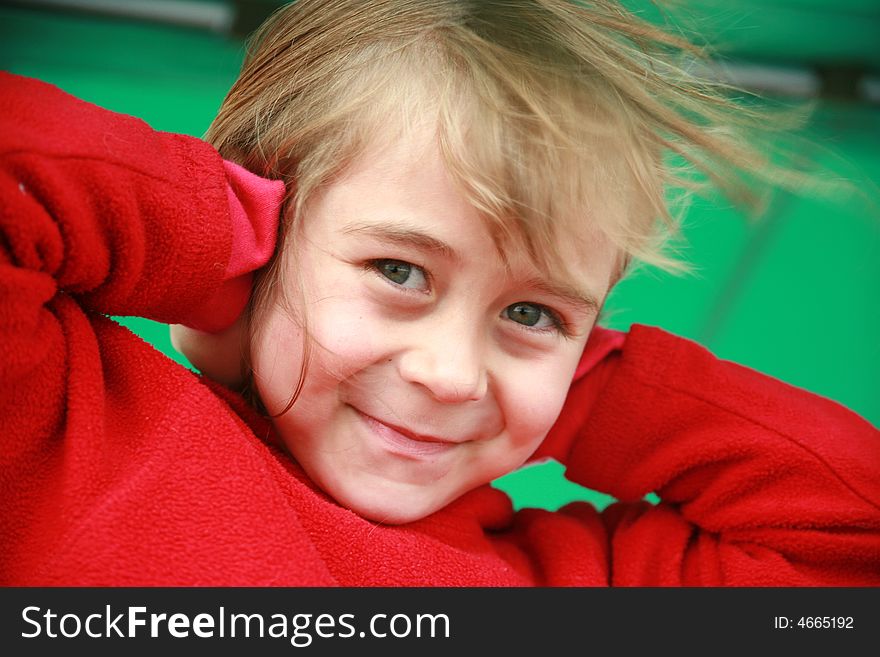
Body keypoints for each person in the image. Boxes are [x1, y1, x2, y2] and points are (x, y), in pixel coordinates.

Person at [1, 0, 878, 586]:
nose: (455, 374)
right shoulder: (65, 426)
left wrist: (579, 398)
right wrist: (213, 250)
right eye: (399, 270)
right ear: (266, 229)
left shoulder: (568, 584)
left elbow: (853, 545)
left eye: (533, 313)